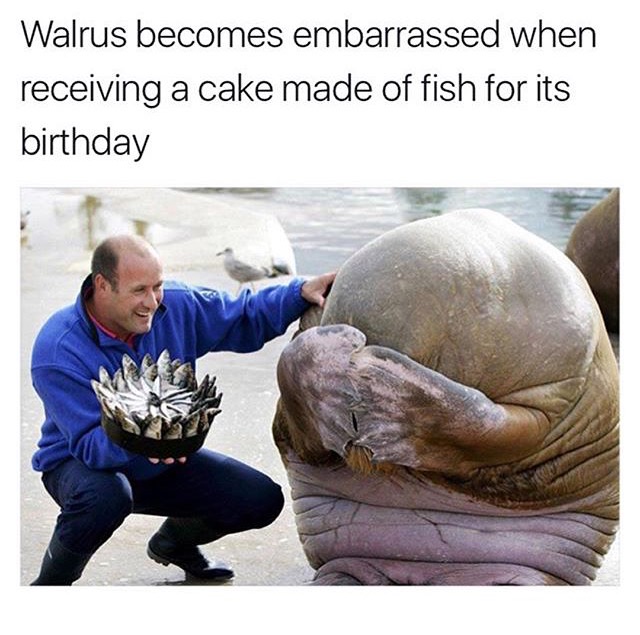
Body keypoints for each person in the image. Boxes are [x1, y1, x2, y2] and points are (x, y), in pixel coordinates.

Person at [29, 234, 335, 585]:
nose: (152, 302)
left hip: (164, 454)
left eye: (157, 286)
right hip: (78, 465)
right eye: (139, 290)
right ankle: (50, 586)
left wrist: (299, 293)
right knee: (106, 498)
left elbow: (241, 315)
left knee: (260, 499)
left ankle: (173, 543)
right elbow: (87, 443)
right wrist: (144, 440)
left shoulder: (175, 305)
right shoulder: (57, 348)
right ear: (102, 285)